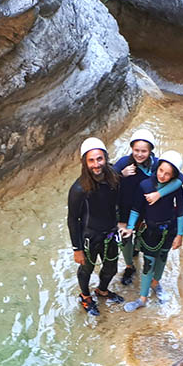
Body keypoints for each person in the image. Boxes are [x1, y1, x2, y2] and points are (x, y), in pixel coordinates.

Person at [112, 128, 183, 286]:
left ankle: (143, 258)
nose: (139, 154)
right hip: (125, 209)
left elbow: (180, 178)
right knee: (125, 238)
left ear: (151, 151)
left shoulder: (157, 165)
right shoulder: (124, 162)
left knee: (144, 237)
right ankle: (130, 266)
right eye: (136, 150)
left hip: (147, 209)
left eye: (144, 151)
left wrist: (159, 194)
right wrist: (120, 174)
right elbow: (106, 179)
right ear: (131, 149)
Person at [67, 136, 126, 317]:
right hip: (89, 236)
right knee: (86, 269)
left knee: (111, 268)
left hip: (110, 233)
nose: (96, 164)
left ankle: (102, 290)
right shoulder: (79, 190)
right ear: (85, 163)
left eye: (99, 159)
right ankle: (85, 296)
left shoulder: (114, 177)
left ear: (106, 158)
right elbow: (72, 220)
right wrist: (77, 249)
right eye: (91, 160)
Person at [122, 150, 183, 311]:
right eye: (160, 171)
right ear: (156, 168)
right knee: (148, 263)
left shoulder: (176, 188)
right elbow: (136, 209)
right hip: (150, 231)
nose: (162, 176)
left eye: (167, 174)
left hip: (169, 229)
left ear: (173, 176)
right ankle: (142, 298)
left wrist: (179, 234)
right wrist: (130, 228)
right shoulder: (145, 185)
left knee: (162, 258)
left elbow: (180, 212)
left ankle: (156, 283)